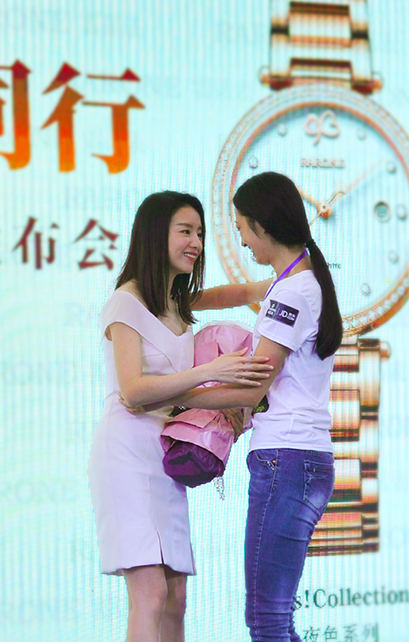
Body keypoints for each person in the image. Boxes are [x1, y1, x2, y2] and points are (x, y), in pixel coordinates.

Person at [149, 172, 343, 641]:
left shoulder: (292, 292)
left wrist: (170, 394)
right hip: (299, 459)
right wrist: (166, 301)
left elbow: (249, 392)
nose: (241, 241)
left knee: (267, 618)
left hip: (286, 460)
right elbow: (236, 293)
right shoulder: (297, 282)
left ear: (261, 224)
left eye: (241, 229)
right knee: (273, 618)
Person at [88, 191, 273, 642]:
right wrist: (210, 371)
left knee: (176, 600)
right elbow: (134, 392)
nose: (196, 243)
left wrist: (281, 283)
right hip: (126, 454)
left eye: (200, 233)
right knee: (151, 594)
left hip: (164, 453)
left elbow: (239, 293)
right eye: (185, 231)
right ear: (156, 234)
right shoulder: (125, 302)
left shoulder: (177, 303)